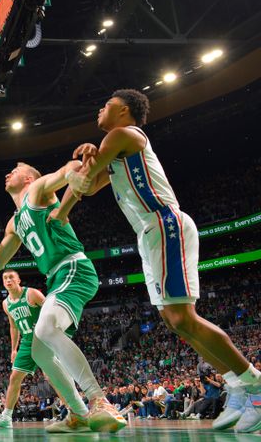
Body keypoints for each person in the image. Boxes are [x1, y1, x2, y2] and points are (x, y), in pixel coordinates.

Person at [53, 88, 261, 433]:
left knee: (184, 317)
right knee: (174, 321)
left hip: (164, 223)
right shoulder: (116, 152)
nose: (99, 110)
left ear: (123, 111)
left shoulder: (124, 134)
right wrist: (88, 163)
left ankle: (253, 384)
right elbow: (89, 187)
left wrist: (79, 171)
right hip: (150, 232)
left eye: (105, 105)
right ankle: (237, 386)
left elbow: (83, 181)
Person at [0, 161, 126, 433]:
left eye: (14, 169)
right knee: (40, 351)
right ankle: (78, 414)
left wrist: (76, 170)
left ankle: (99, 399)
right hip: (56, 277)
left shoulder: (38, 189)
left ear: (28, 177)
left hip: (73, 267)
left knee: (45, 327)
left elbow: (65, 171)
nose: (8, 172)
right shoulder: (15, 222)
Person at [0, 269, 46, 429]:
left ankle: (74, 412)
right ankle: (6, 417)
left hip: (43, 339)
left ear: (19, 280)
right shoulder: (6, 304)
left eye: (11, 277)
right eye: (5, 278)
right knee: (14, 378)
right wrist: (14, 349)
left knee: (51, 376)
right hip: (26, 343)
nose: (8, 280)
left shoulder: (32, 294)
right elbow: (13, 327)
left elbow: (51, 312)